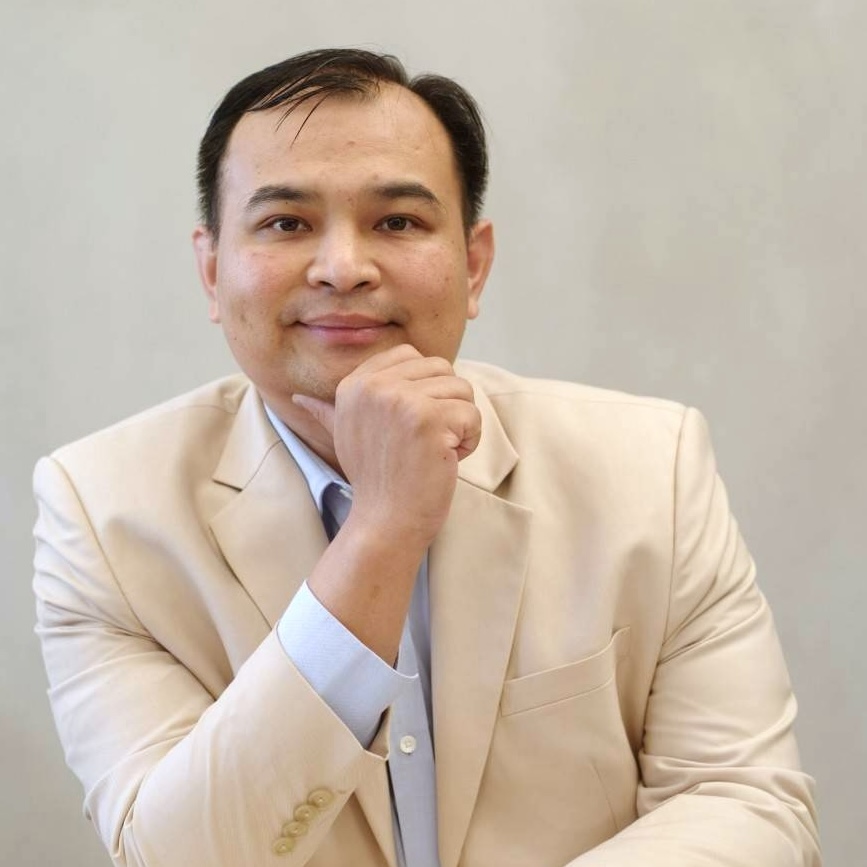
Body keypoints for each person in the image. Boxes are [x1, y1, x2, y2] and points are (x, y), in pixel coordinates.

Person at [33, 48, 820, 867]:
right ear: (211, 270)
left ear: (473, 265)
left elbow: (748, 804)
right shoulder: (102, 512)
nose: (343, 268)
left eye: (398, 222)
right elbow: (178, 856)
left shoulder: (651, 468)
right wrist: (382, 529)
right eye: (286, 223)